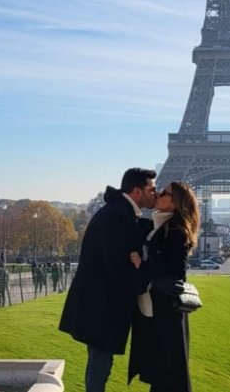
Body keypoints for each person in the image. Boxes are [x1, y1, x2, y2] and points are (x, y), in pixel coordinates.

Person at [59, 167, 157, 392]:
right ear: (136, 191)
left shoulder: (119, 212)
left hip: (100, 304)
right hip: (102, 306)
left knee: (100, 364)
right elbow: (116, 263)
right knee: (100, 365)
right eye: (151, 189)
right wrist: (142, 278)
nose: (155, 193)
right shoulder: (117, 215)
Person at [128, 181, 200, 392]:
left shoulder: (176, 231)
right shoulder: (159, 225)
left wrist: (144, 265)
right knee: (162, 373)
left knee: (167, 374)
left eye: (164, 193)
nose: (158, 194)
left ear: (176, 203)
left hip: (166, 312)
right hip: (157, 308)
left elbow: (176, 273)